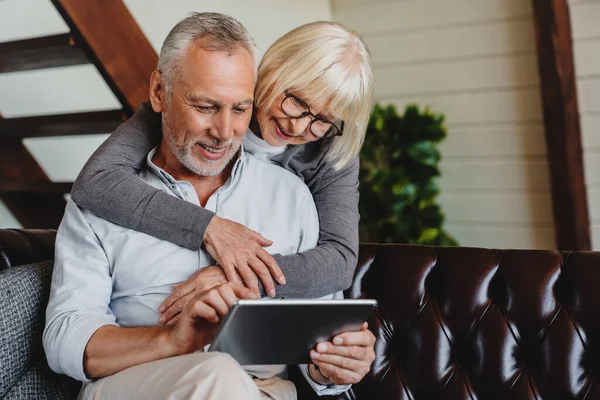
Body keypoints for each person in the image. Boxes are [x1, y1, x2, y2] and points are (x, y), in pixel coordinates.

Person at [43, 13, 375, 400]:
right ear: (159, 94)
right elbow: (66, 338)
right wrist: (173, 336)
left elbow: (333, 269)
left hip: (263, 390)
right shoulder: (109, 195)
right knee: (217, 375)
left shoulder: (297, 193)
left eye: (239, 110)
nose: (223, 132)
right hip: (142, 381)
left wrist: (332, 365)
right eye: (205, 106)